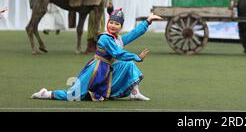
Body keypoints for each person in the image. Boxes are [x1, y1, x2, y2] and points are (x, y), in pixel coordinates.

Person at [31, 10, 164, 101]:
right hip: (96, 70)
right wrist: (137, 57)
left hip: (107, 69)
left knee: (128, 65)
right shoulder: (105, 38)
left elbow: (135, 33)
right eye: (111, 22)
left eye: (117, 24)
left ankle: (134, 93)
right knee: (74, 95)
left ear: (121, 27)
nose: (113, 25)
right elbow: (117, 53)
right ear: (108, 23)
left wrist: (148, 21)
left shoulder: (118, 39)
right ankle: (46, 93)